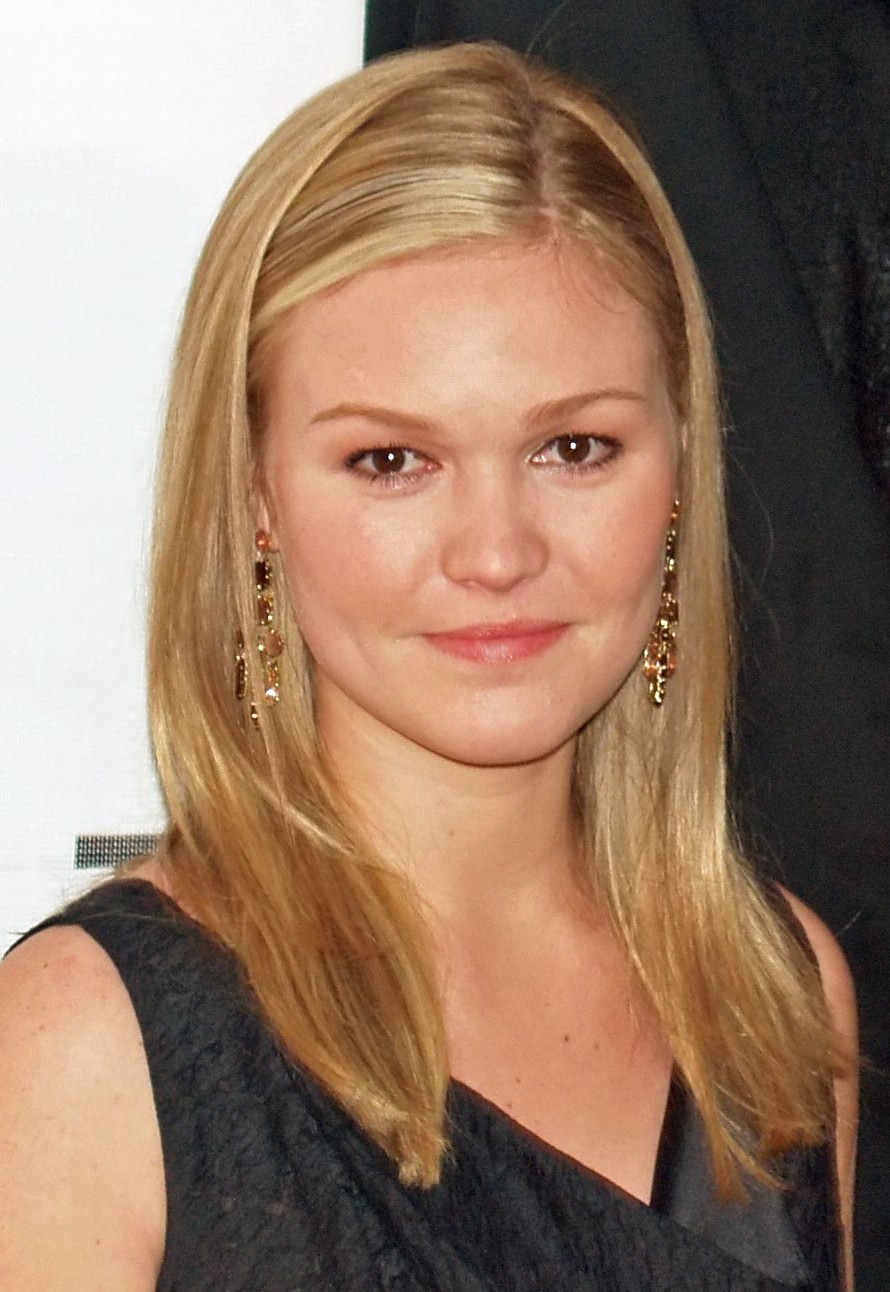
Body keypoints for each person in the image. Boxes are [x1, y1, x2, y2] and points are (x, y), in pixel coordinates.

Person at [0, 42, 857, 1291]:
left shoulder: (773, 996)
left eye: (573, 447)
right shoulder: (91, 1047)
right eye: (391, 461)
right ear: (253, 494)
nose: (496, 552)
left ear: (680, 466)